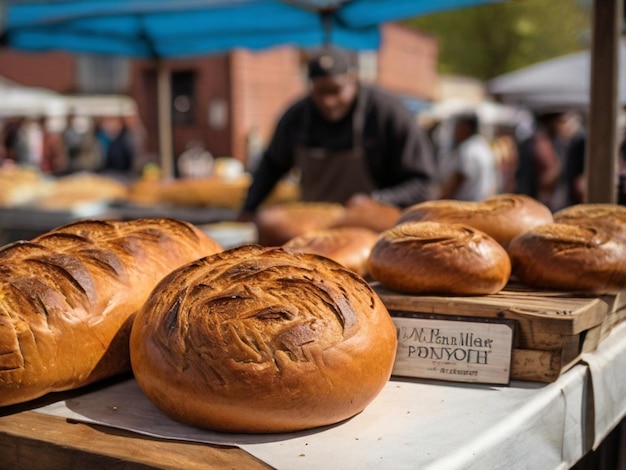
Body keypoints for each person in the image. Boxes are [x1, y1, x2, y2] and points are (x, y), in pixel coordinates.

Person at [238, 46, 437, 219]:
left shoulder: (388, 114)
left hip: (374, 233)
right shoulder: (297, 117)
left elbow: (423, 184)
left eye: (335, 90)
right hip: (314, 231)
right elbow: (272, 165)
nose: (328, 101)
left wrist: (378, 200)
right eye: (320, 92)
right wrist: (249, 207)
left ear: (353, 79)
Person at [439, 112, 498, 201]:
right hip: (482, 205)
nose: (454, 131)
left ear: (465, 128)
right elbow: (493, 183)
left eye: (457, 127)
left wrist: (439, 202)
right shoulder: (484, 147)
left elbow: (457, 180)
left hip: (464, 207)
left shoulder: (466, 149)